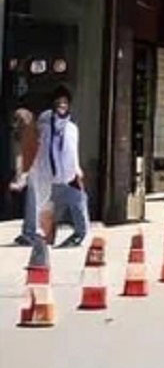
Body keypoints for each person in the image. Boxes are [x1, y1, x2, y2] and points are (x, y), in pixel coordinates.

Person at [32, 86, 89, 248]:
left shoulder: (72, 128)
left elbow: (72, 150)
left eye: (65, 103)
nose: (62, 106)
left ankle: (79, 234)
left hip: (70, 173)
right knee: (49, 208)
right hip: (49, 174)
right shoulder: (45, 124)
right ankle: (44, 238)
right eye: (58, 102)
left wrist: (77, 168)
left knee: (79, 203)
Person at [10, 108, 39, 245]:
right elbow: (20, 156)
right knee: (31, 203)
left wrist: (21, 177)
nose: (15, 124)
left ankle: (31, 234)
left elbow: (27, 155)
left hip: (37, 171)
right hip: (32, 171)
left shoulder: (31, 133)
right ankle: (28, 232)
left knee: (33, 203)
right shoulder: (22, 134)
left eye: (17, 120)